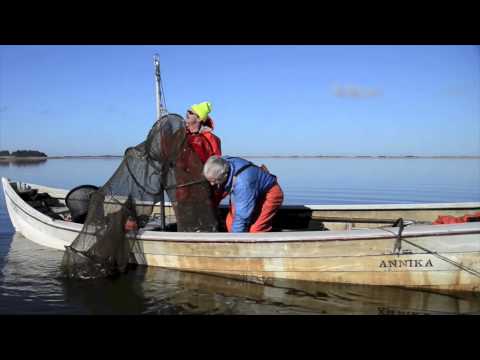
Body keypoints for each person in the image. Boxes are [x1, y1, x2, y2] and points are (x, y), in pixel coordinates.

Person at [203, 155, 284, 233]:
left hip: (269, 193)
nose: (212, 184)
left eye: (215, 180)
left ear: (225, 174)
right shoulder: (222, 161)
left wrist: (235, 242)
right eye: (209, 180)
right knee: (230, 223)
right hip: (250, 189)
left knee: (256, 230)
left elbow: (241, 217)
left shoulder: (243, 184)